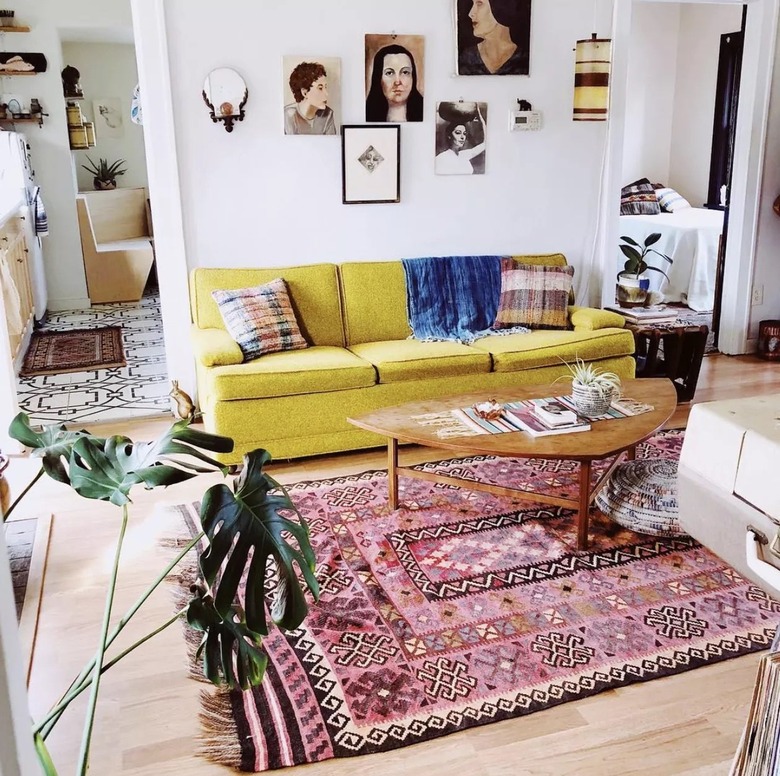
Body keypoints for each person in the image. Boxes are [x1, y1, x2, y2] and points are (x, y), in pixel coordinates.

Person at [458, 0, 531, 75]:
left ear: (500, 8)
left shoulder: (525, 62)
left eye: (479, 4)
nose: (470, 14)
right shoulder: (467, 58)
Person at [365, 43, 423, 122]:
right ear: (378, 78)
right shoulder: (368, 114)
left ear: (413, 77)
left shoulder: (425, 111)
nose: (397, 81)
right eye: (389, 73)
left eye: (405, 72)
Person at [284, 61, 336, 135]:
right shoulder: (288, 115)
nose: (326, 94)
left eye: (326, 87)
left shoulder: (328, 115)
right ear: (305, 93)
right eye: (320, 88)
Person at [435, 104, 486, 175]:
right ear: (449, 135)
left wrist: (480, 117)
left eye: (464, 133)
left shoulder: (464, 155)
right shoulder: (441, 159)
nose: (462, 137)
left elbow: (485, 144)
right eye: (458, 133)